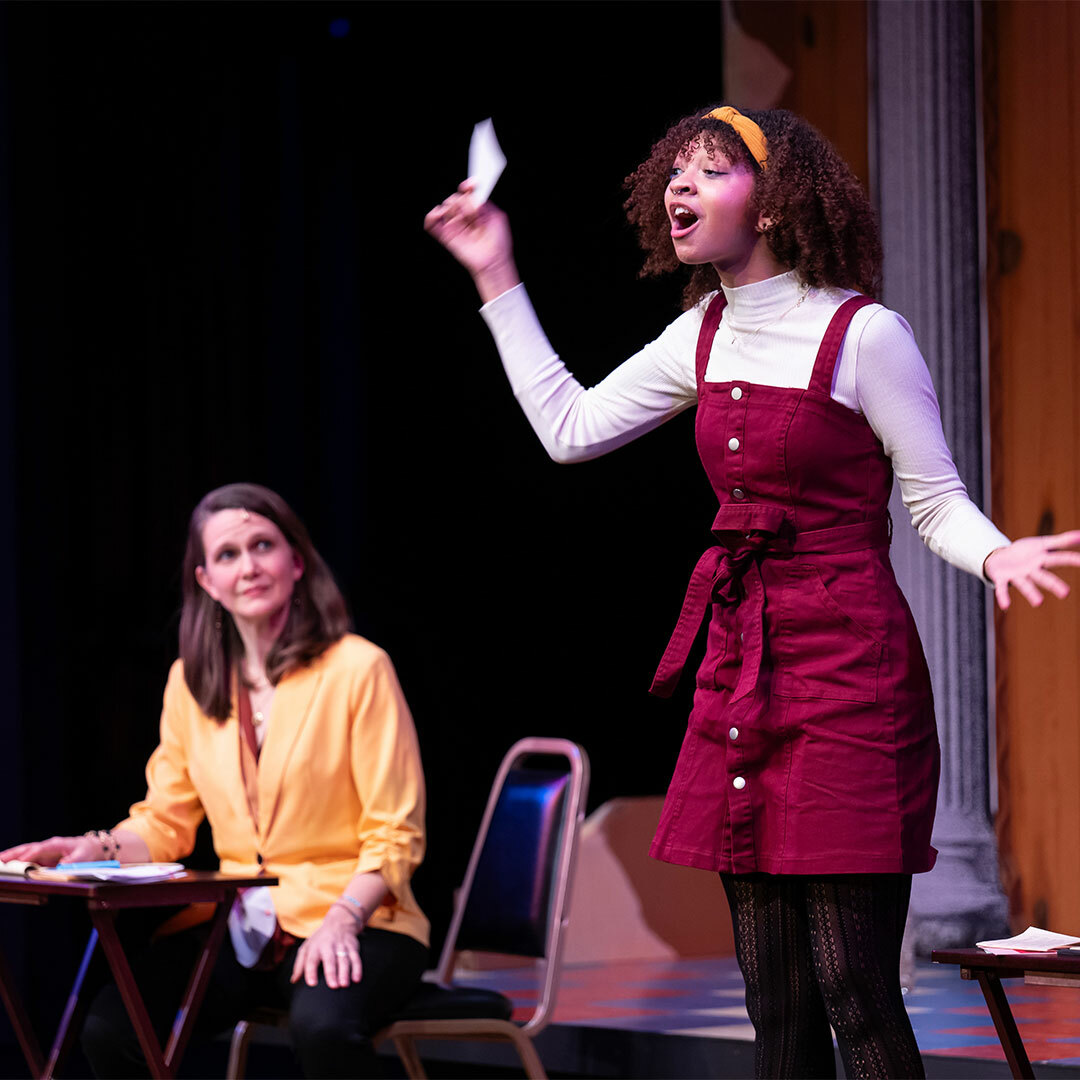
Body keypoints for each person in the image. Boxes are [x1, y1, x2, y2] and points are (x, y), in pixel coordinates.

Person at [425, 106, 1080, 1079]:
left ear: (774, 200)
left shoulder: (866, 335)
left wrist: (996, 556)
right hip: (743, 672)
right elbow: (569, 427)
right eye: (674, 172)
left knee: (856, 994)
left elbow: (935, 503)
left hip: (851, 677)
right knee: (773, 1003)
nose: (679, 188)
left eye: (710, 170)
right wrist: (494, 274)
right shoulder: (703, 331)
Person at [1, 482, 428, 1078]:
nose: (249, 566)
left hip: (359, 913)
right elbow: (165, 822)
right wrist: (85, 850)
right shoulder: (191, 682)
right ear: (206, 580)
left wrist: (342, 921)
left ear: (296, 562)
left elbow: (395, 832)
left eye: (264, 546)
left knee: (323, 1027)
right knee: (111, 1028)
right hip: (241, 921)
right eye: (229, 554)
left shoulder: (358, 668)